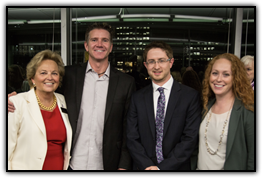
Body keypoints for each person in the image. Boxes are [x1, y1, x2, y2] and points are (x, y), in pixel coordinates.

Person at [9, 23, 136, 170]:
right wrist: (15, 99)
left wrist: (124, 166)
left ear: (111, 46)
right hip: (71, 164)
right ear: (86, 46)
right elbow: (43, 91)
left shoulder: (126, 83)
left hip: (108, 164)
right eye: (94, 40)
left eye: (105, 40)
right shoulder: (69, 75)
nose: (99, 44)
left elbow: (128, 128)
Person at [127, 41, 201, 170]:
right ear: (145, 65)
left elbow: (190, 139)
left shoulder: (190, 96)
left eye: (161, 60)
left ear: (171, 62)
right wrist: (148, 166)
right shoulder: (137, 98)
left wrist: (162, 168)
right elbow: (131, 137)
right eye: (151, 61)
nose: (156, 66)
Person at [8, 50, 72, 170]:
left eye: (54, 73)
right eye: (43, 73)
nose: (49, 77)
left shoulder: (63, 101)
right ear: (32, 78)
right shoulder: (17, 102)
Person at [196, 53, 254, 170]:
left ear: (236, 78)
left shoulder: (247, 111)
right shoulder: (205, 107)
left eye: (226, 74)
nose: (218, 79)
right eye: (215, 73)